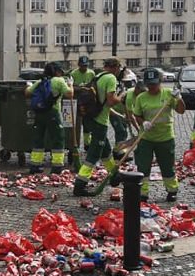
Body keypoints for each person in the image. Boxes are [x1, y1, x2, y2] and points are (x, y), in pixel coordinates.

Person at [133, 68, 186, 202]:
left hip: (165, 138)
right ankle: (142, 192)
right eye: (149, 84)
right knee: (143, 166)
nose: (152, 87)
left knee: (167, 166)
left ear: (160, 82)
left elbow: (181, 110)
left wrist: (179, 98)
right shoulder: (141, 98)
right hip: (146, 138)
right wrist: (143, 122)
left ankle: (172, 190)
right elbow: (137, 114)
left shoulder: (169, 94)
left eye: (155, 84)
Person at [72, 57, 122, 196]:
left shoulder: (98, 75)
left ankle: (114, 175)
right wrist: (122, 96)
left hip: (89, 117)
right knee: (94, 153)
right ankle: (80, 184)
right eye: (119, 68)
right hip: (100, 120)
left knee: (105, 149)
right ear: (116, 67)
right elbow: (111, 101)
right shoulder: (111, 78)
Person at [25, 62, 73, 174]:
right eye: (60, 71)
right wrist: (70, 84)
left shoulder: (40, 81)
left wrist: (28, 85)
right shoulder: (59, 81)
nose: (61, 74)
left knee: (38, 138)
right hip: (53, 113)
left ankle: (35, 165)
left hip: (39, 113)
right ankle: (57, 166)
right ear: (56, 71)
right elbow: (69, 94)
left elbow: (27, 93)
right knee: (58, 138)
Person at [70, 56, 95, 150]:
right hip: (76, 99)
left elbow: (93, 85)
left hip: (88, 101)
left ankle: (87, 143)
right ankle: (73, 142)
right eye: (82, 66)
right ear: (78, 65)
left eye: (85, 66)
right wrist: (81, 88)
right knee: (75, 122)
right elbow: (71, 86)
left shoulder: (91, 73)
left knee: (87, 123)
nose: (84, 68)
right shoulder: (74, 73)